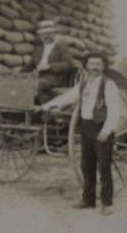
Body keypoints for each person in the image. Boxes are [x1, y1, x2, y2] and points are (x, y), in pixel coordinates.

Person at [40, 52, 122, 216]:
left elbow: (114, 110)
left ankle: (106, 203)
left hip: (101, 127)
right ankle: (88, 200)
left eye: (98, 64)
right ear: (86, 66)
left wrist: (107, 131)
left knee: (104, 166)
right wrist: (47, 106)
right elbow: (68, 97)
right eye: (91, 64)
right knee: (86, 166)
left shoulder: (108, 85)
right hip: (86, 126)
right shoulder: (84, 84)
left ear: (103, 66)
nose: (94, 67)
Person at [25, 19, 75, 103]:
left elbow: (68, 65)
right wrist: (17, 74)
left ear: (53, 34)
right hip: (39, 78)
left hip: (55, 79)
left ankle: (48, 107)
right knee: (22, 84)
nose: (45, 36)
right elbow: (29, 66)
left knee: (36, 85)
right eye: (42, 34)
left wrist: (50, 66)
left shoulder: (61, 46)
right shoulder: (38, 49)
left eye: (48, 34)